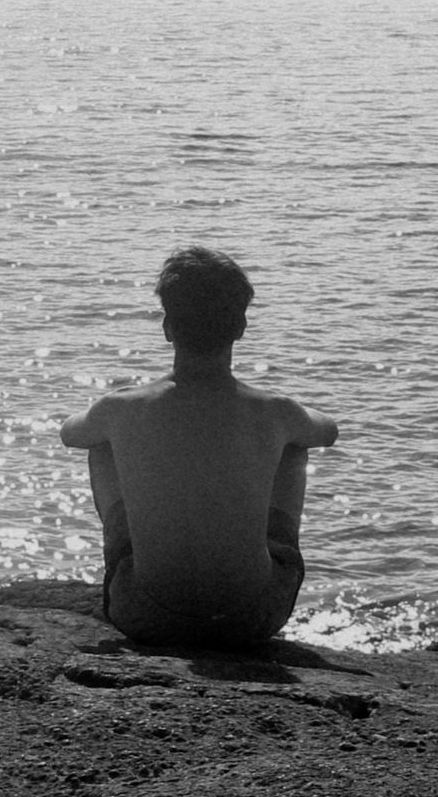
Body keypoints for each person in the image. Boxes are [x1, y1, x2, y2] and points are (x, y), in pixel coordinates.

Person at [60, 247, 338, 648]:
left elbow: (71, 433)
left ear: (168, 327)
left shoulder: (121, 408)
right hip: (251, 619)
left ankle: (150, 565)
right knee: (295, 446)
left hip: (146, 615)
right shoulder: (274, 411)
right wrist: (284, 411)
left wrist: (123, 408)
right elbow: (327, 432)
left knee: (100, 445)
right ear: (240, 326)